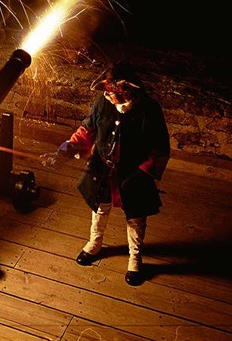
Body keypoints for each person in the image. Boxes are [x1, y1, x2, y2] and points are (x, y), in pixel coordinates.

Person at [56, 61, 170, 286]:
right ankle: (95, 243)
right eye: (106, 90)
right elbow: (88, 128)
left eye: (111, 90)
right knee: (99, 207)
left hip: (134, 172)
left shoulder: (150, 110)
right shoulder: (101, 102)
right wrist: (70, 144)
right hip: (102, 166)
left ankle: (135, 258)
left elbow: (160, 148)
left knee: (135, 217)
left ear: (126, 90)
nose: (107, 94)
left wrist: (144, 172)